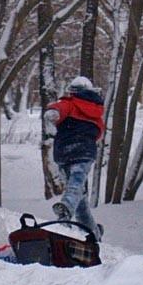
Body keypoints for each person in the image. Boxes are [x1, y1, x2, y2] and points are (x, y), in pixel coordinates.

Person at [44, 76, 104, 240]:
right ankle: (93, 232)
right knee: (80, 192)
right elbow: (98, 133)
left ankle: (66, 210)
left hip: (64, 152)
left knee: (75, 184)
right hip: (85, 152)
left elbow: (57, 110)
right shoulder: (97, 112)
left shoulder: (69, 103)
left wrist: (53, 113)